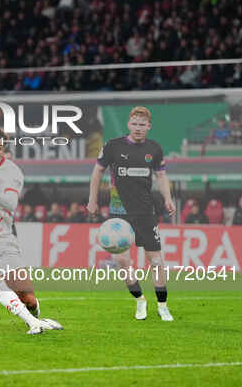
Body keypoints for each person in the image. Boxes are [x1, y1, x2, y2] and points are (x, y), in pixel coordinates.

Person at [0, 127, 62, 335]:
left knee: (28, 298)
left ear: (4, 150)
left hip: (4, 238)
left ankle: (36, 318)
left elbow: (11, 203)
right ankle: (32, 323)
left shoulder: (13, 172)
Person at [87, 106, 176, 322]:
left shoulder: (154, 149)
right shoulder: (112, 146)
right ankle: (140, 301)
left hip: (145, 212)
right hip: (119, 212)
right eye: (134, 124)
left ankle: (163, 306)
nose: (138, 128)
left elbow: (161, 176)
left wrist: (167, 198)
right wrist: (92, 199)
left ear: (148, 126)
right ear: (129, 124)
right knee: (122, 261)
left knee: (155, 261)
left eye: (142, 124)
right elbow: (97, 171)